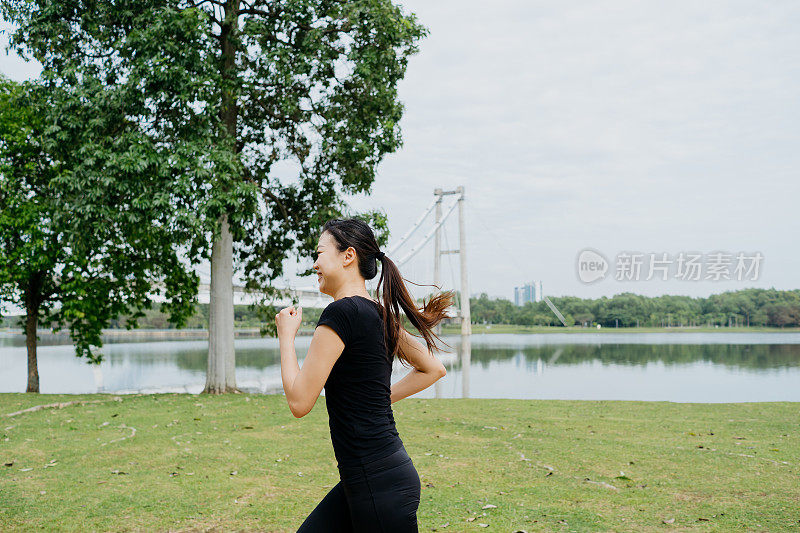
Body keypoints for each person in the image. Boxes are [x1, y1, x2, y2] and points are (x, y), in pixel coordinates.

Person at [274, 217, 454, 533]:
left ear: (348, 256)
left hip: (377, 483)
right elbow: (433, 368)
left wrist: (286, 337)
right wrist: (380, 399)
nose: (314, 263)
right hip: (375, 477)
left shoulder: (340, 313)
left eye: (319, 253)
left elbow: (299, 402)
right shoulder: (378, 314)